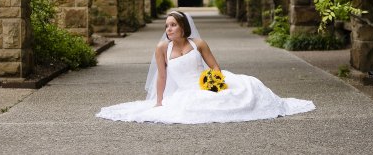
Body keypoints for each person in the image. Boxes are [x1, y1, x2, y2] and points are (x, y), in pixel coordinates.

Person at [96, 11, 315, 124]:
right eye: (166, 26)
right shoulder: (162, 48)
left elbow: (215, 67)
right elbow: (161, 77)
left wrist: (215, 86)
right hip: (185, 91)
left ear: (183, 27)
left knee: (249, 88)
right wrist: (159, 102)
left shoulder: (198, 43)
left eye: (173, 25)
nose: (168, 29)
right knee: (188, 109)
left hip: (207, 83)